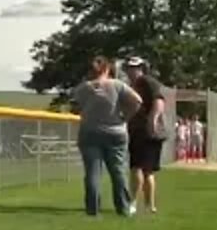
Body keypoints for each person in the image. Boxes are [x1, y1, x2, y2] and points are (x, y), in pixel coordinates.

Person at [70, 56, 142, 216]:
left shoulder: (83, 88)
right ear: (107, 69)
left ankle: (93, 209)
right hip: (116, 132)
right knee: (118, 171)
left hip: (89, 132)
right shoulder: (116, 85)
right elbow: (138, 101)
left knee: (92, 172)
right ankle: (123, 208)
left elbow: (75, 106)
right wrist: (126, 116)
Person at [124, 57, 166, 213]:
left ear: (141, 68)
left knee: (139, 168)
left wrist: (152, 120)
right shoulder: (132, 86)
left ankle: (134, 203)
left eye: (134, 68)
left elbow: (159, 101)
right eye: (128, 68)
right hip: (138, 131)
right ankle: (149, 206)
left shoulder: (147, 81)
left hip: (147, 132)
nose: (130, 71)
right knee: (144, 169)